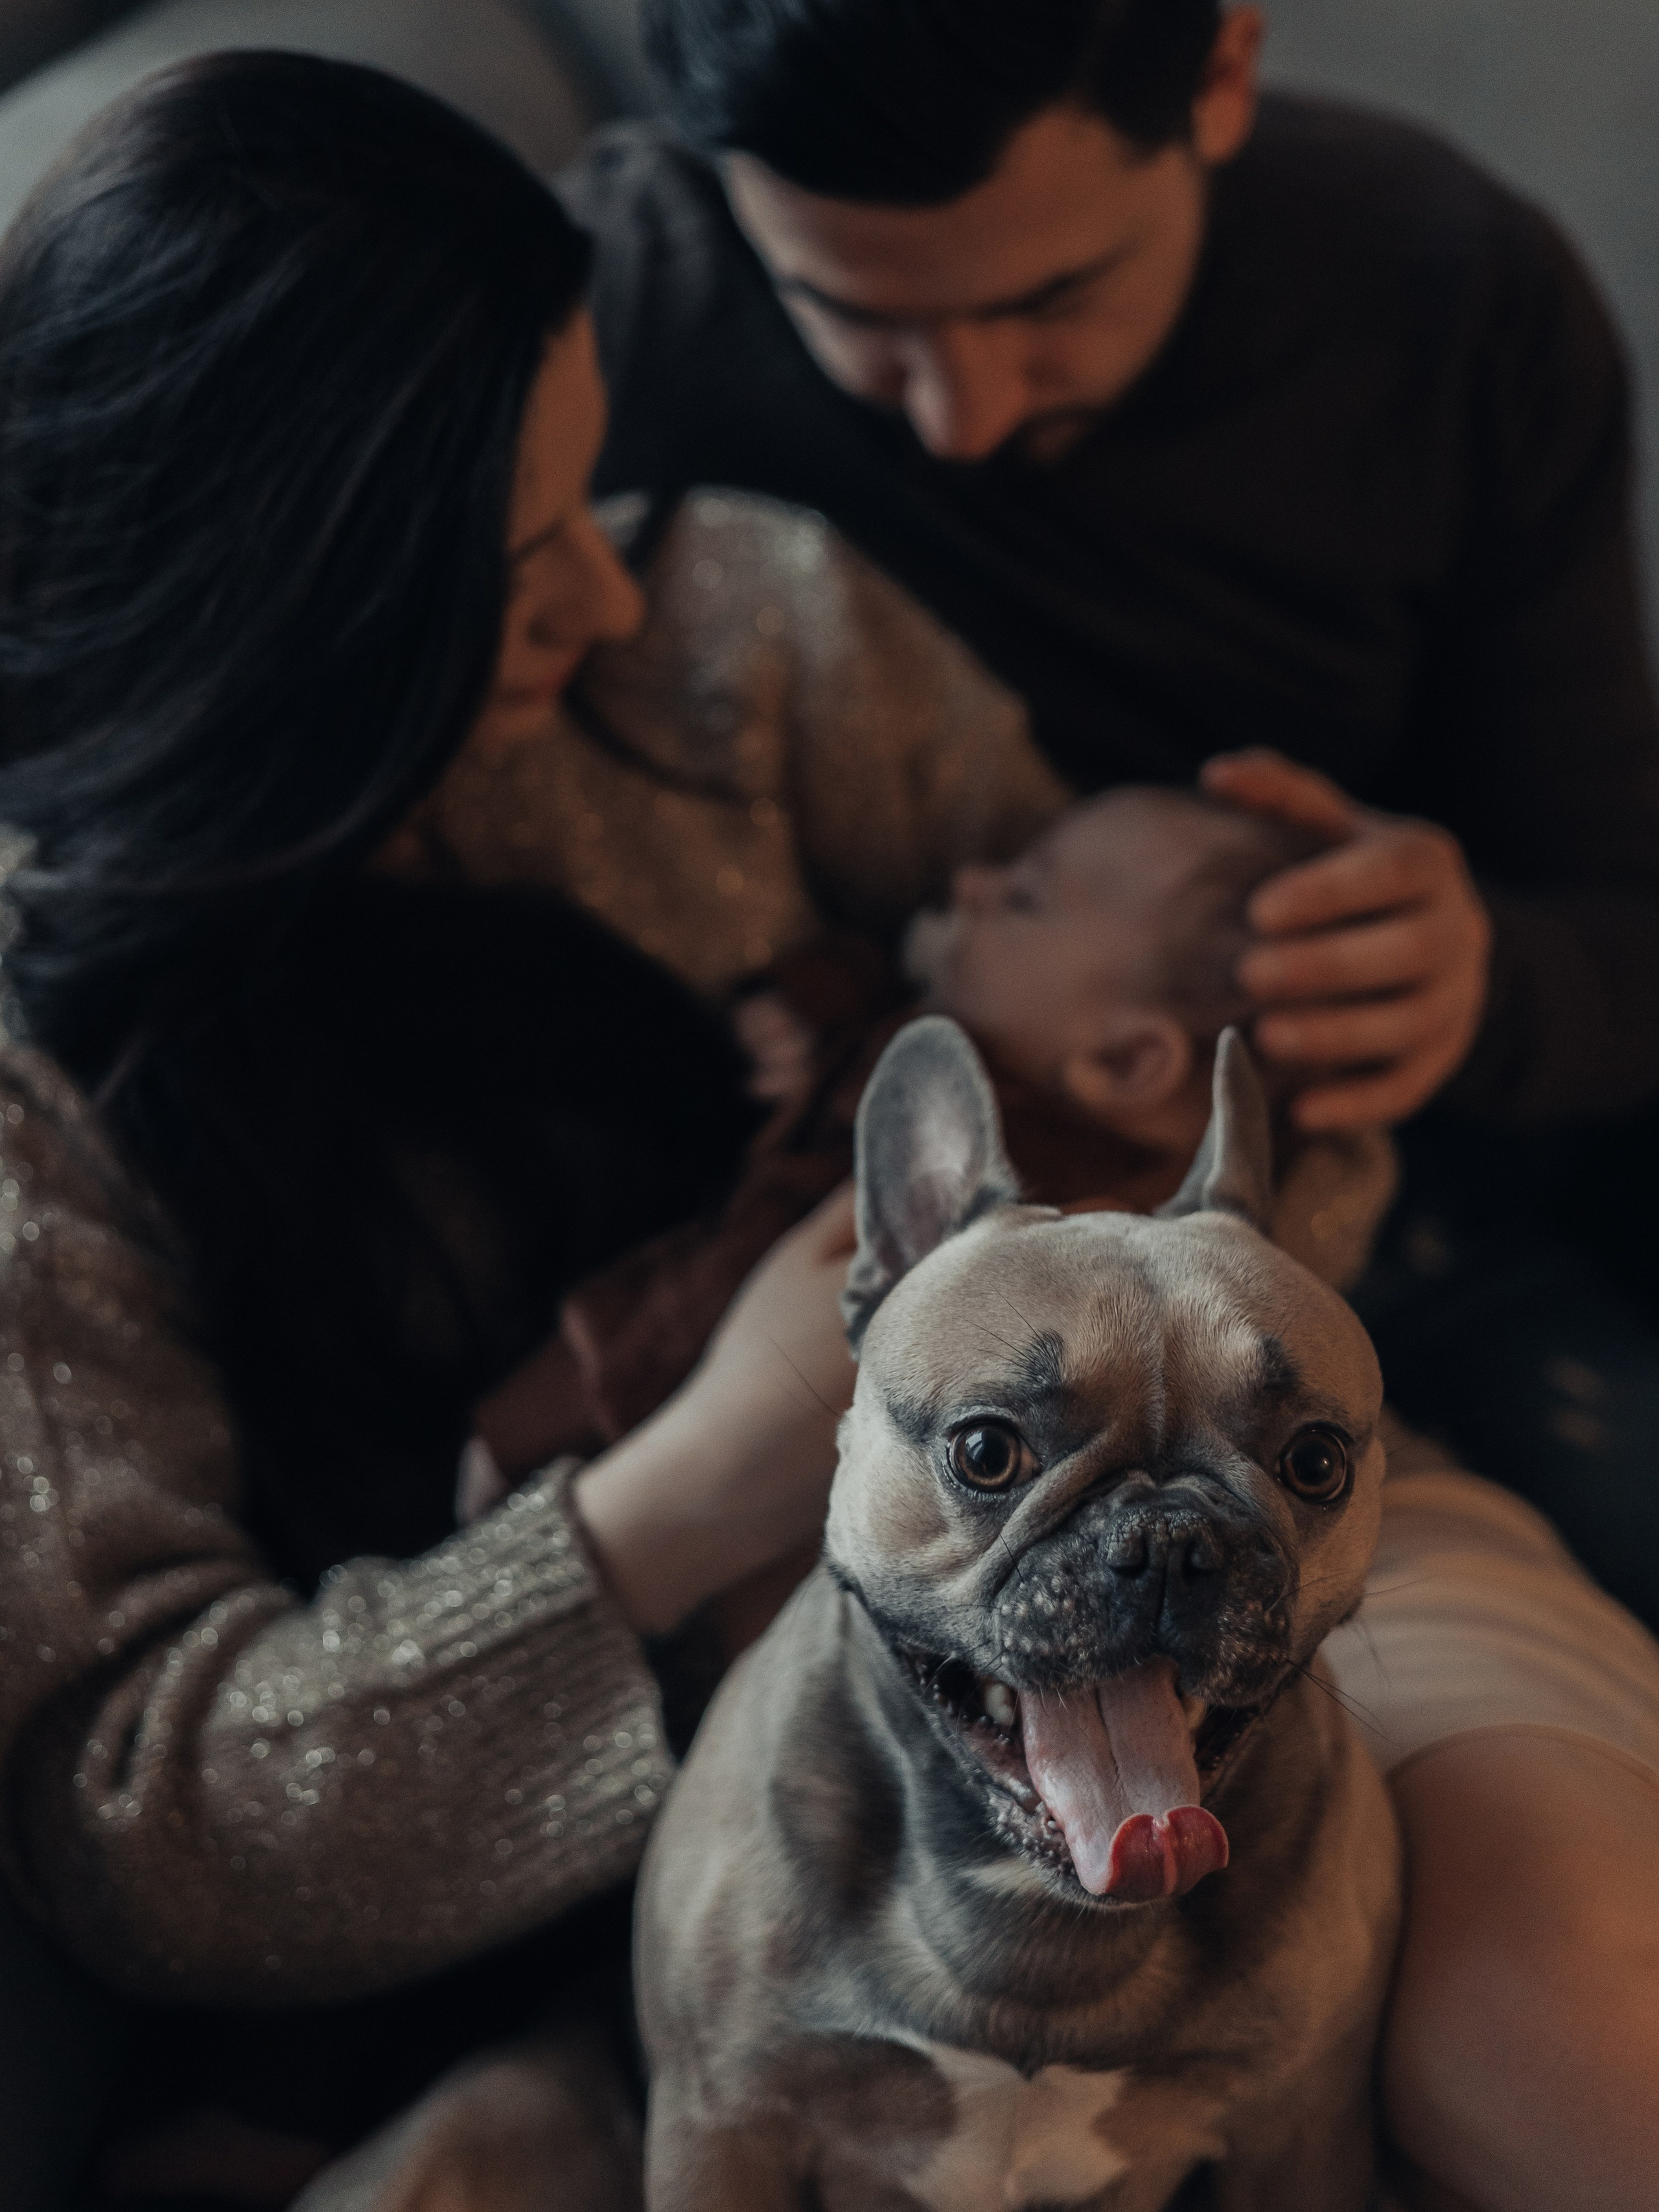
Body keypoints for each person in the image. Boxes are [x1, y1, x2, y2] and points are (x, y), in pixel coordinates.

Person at [553, 5, 1659, 2206]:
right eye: (853, 317)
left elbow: (1622, 918)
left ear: (1222, 66)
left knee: (1567, 2019)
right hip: (885, 1394)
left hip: (1370, 1313)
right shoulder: (603, 318)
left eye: (1051, 297)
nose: (957, 415)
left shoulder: (1444, 294)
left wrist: (1496, 972)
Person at [0, 50, 861, 2198]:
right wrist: (697, 1478)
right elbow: (158, 1823)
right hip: (587, 1936)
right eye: (517, 551)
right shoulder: (45, 1103)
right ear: (279, 612)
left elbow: (1185, 1030)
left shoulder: (735, 637)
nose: (605, 600)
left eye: (589, 495)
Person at [467, 785, 1389, 1489]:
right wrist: (800, 998)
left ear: (1122, 1061)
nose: (970, 883)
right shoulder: (964, 1045)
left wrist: (545, 1423)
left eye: (1025, 899)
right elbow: (872, 980)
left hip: (688, 1383)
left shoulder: (1057, 1212)